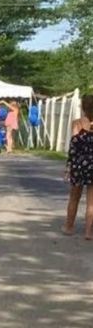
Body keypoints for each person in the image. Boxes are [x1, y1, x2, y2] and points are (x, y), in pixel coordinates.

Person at [63, 94, 93, 240]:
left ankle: (69, 227)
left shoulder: (77, 123)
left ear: (83, 108)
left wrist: (68, 166)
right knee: (91, 202)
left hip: (78, 165)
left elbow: (73, 147)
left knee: (74, 197)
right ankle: (88, 232)